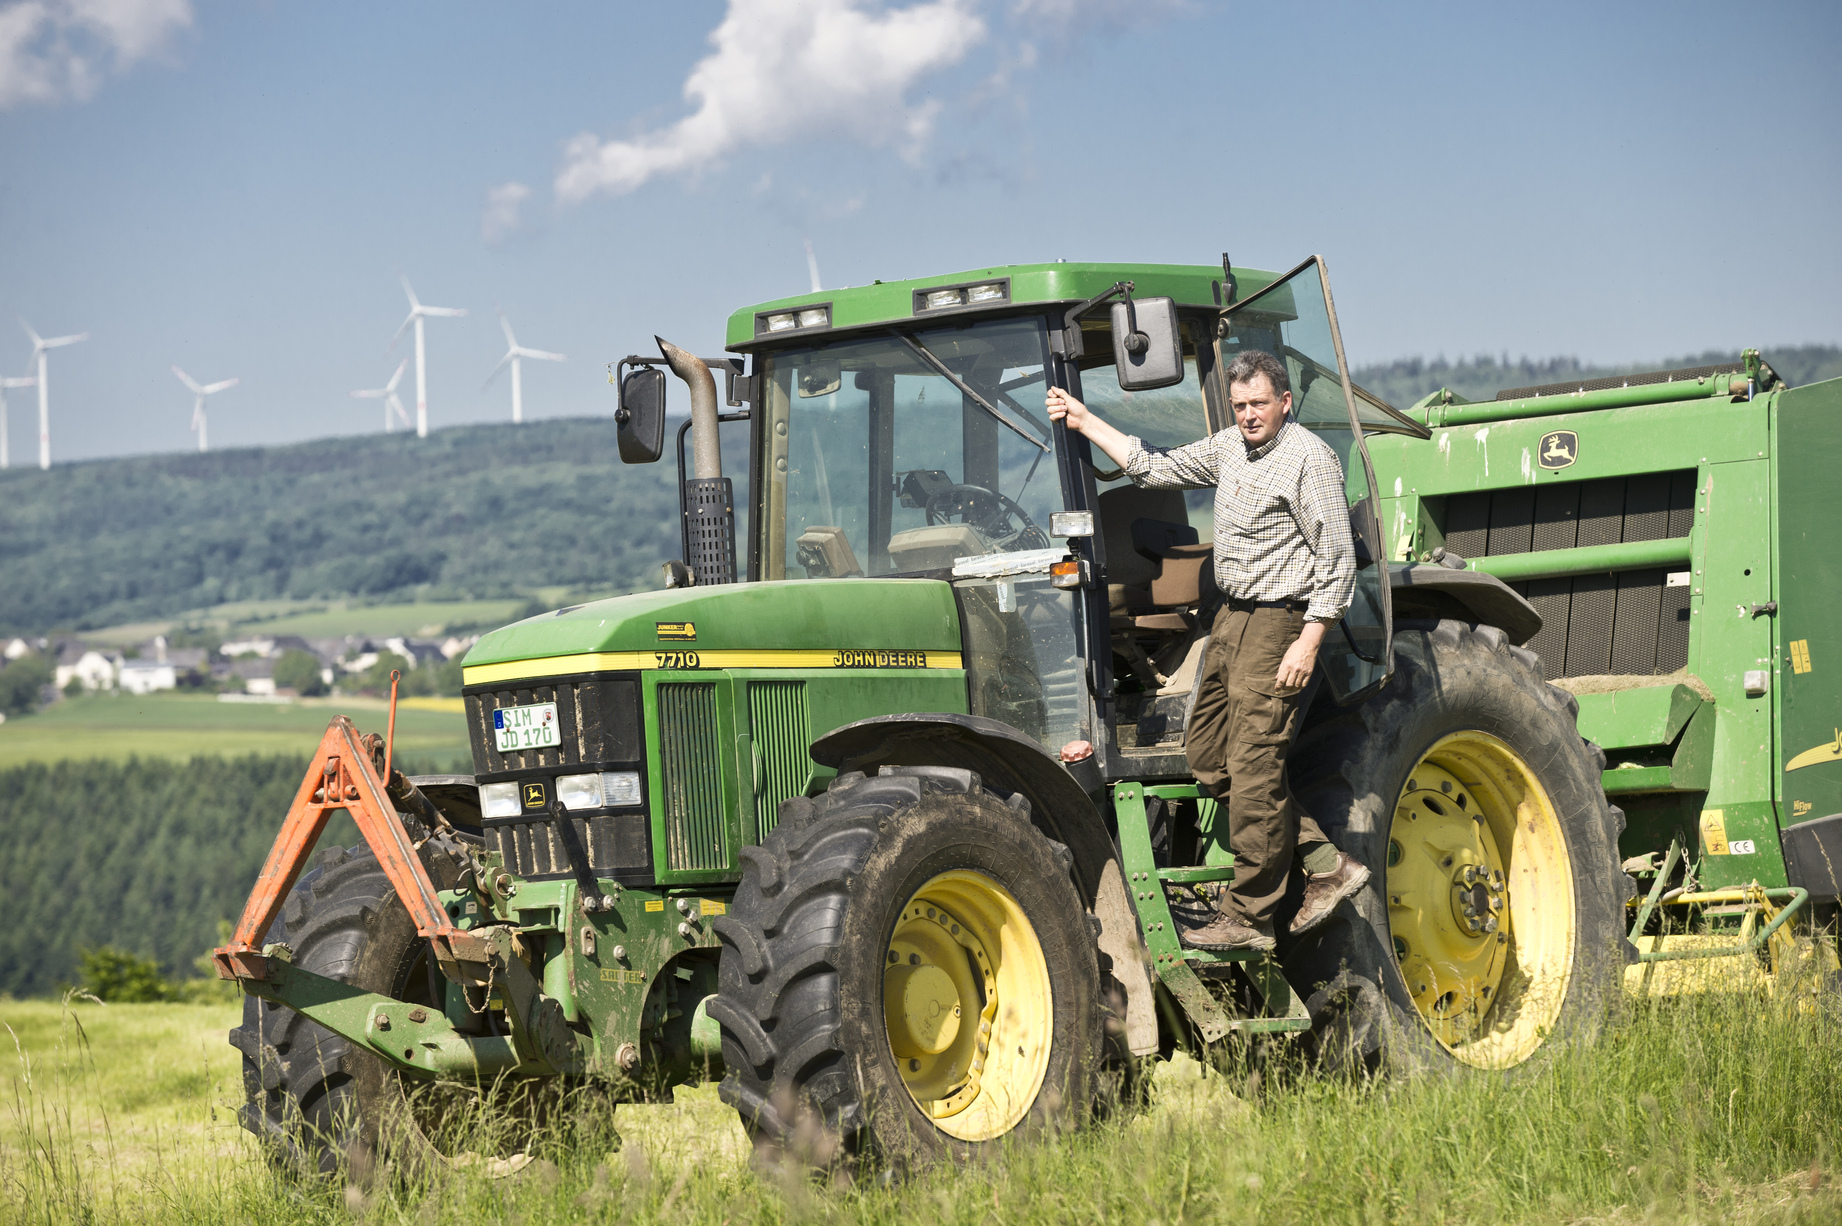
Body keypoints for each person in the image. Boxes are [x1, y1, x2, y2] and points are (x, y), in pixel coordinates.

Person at [1046, 350, 1370, 951]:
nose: (1249, 415)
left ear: (1284, 402)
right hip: (1229, 620)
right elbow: (1154, 467)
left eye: (1258, 404)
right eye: (1240, 405)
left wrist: (1309, 638)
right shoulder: (1228, 448)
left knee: (1254, 765)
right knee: (1207, 755)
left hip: (1280, 623)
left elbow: (1337, 559)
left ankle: (1249, 918)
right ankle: (1325, 862)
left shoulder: (1309, 459)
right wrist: (1084, 420)